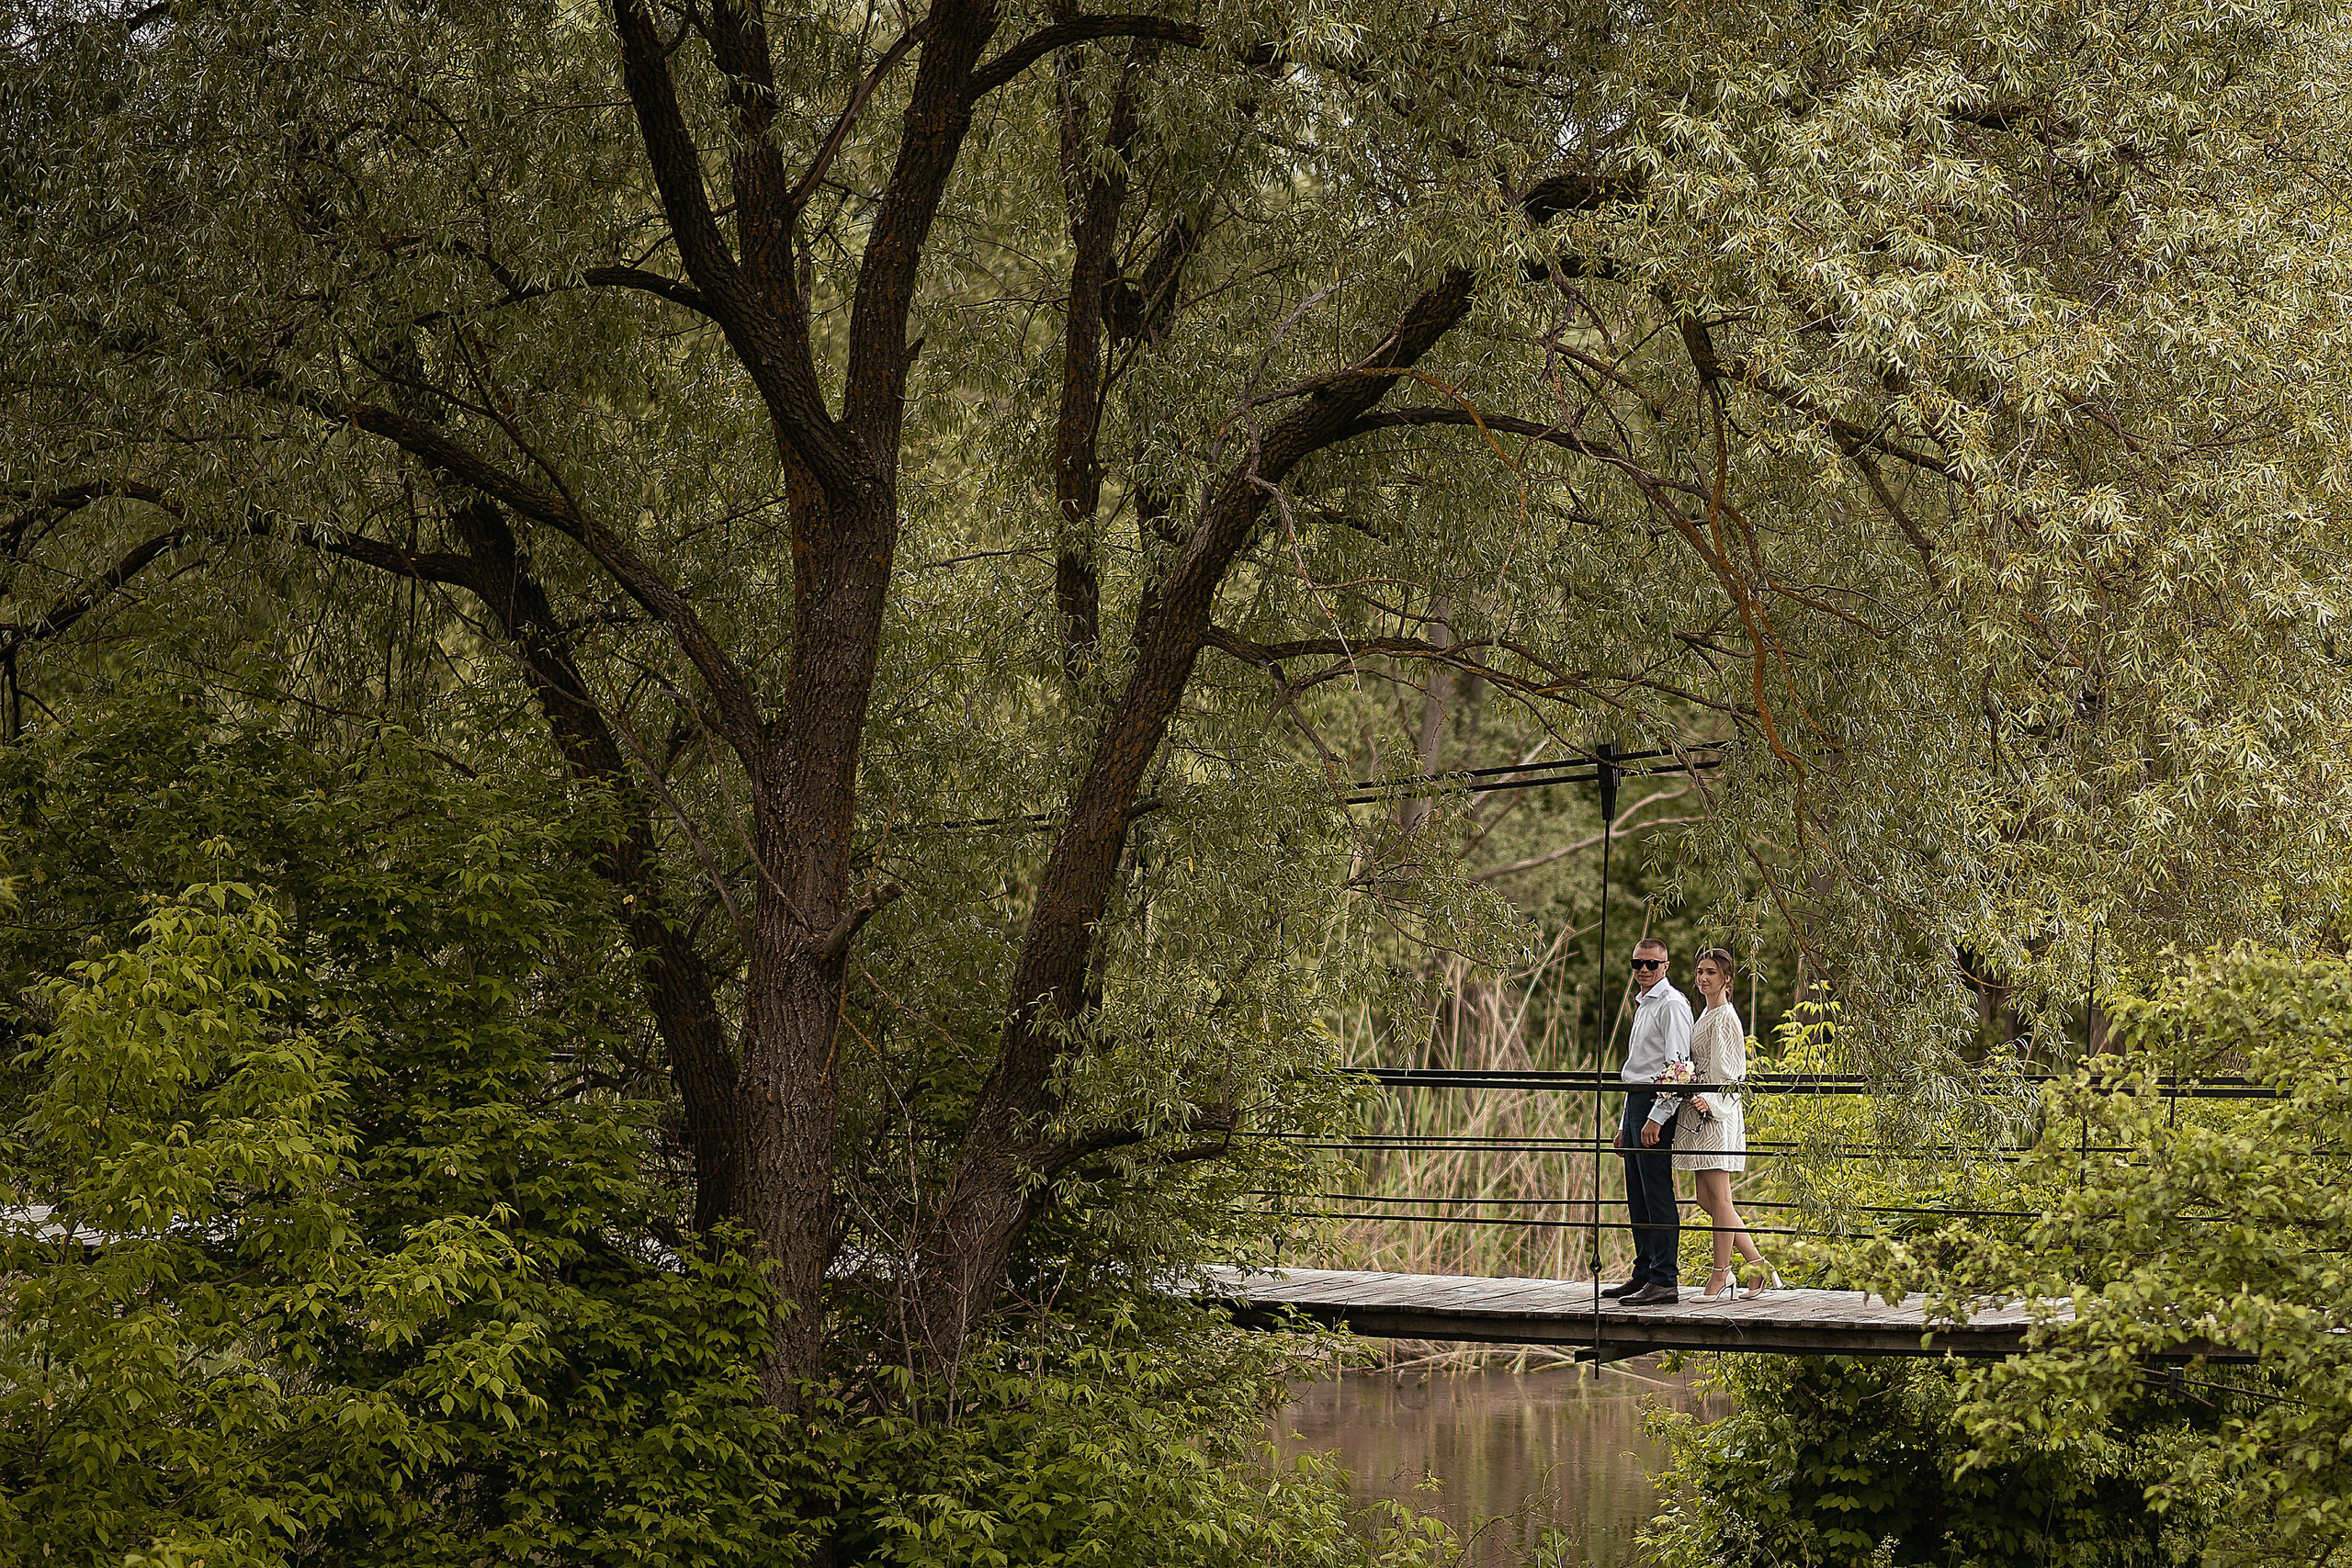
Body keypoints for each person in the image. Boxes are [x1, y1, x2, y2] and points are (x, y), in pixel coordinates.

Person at [1674, 947, 1781, 1300]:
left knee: (1720, 1199)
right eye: (1700, 971)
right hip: (1699, 1112)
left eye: (1711, 973)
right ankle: (1757, 1265)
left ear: (1727, 979)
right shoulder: (1707, 1013)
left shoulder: (1726, 1018)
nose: (1703, 978)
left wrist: (1713, 1100)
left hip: (1717, 1113)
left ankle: (1721, 1274)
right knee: (1707, 1199)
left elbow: (1735, 1073)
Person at [1606, 938, 1691, 1305]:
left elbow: (1679, 1067)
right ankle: (1644, 1272)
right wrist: (1626, 1123)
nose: (1643, 970)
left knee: (1656, 1192)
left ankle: (1664, 1278)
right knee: (1637, 1195)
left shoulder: (1671, 1005)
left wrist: (1657, 1116)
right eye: (1637, 963)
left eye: (1651, 964)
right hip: (1637, 1101)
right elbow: (1635, 1071)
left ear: (1666, 966)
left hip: (1656, 1104)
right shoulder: (1644, 1004)